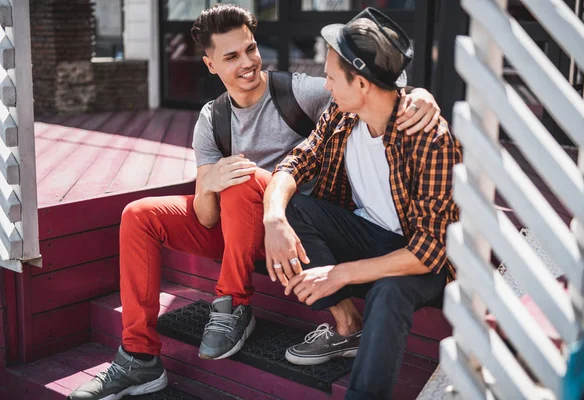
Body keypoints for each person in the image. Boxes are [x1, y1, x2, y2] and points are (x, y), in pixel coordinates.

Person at [68, 4, 442, 400]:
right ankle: (139, 357)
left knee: (241, 175)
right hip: (241, 227)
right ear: (211, 65)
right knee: (138, 215)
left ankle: (232, 305)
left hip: (295, 229)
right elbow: (205, 217)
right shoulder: (212, 118)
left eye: (250, 49)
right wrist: (207, 182)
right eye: (231, 56)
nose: (247, 62)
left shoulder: (300, 92)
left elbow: (372, 87)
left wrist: (420, 95)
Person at [262, 7, 462, 400]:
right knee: (294, 207)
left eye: (333, 76)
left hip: (420, 260)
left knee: (390, 292)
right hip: (368, 235)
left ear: (364, 84)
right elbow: (296, 162)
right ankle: (347, 326)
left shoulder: (430, 138)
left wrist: (340, 274)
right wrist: (273, 219)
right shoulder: (340, 113)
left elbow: (431, 250)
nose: (326, 84)